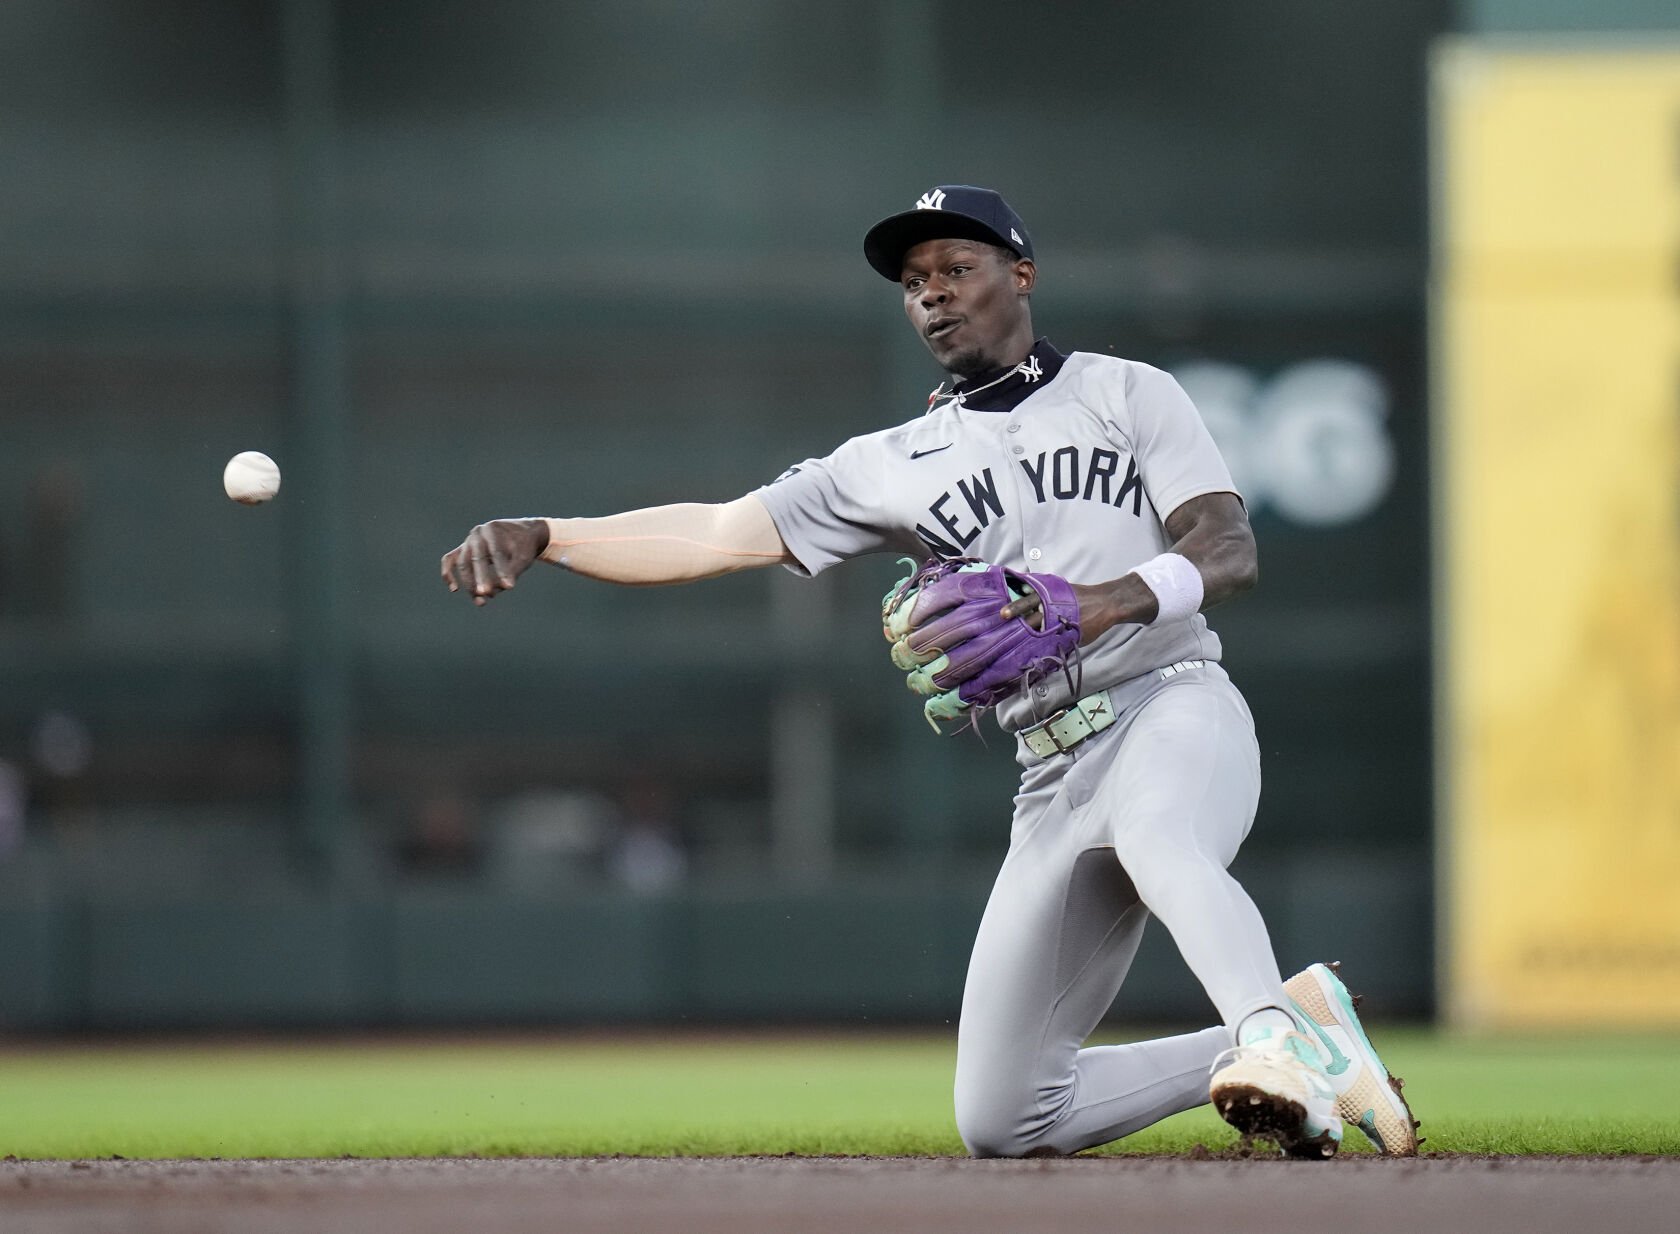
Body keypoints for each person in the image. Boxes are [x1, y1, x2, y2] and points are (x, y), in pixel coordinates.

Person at [441, 185, 1417, 1159]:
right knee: (1004, 1115)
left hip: (1168, 704)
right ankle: (1293, 1032)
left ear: (1021, 274)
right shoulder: (890, 465)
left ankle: (1271, 1037)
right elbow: (713, 531)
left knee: (1163, 837)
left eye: (959, 268)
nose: (934, 295)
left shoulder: (1128, 392)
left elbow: (1226, 549)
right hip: (1051, 775)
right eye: (915, 283)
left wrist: (1095, 602)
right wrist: (550, 534)